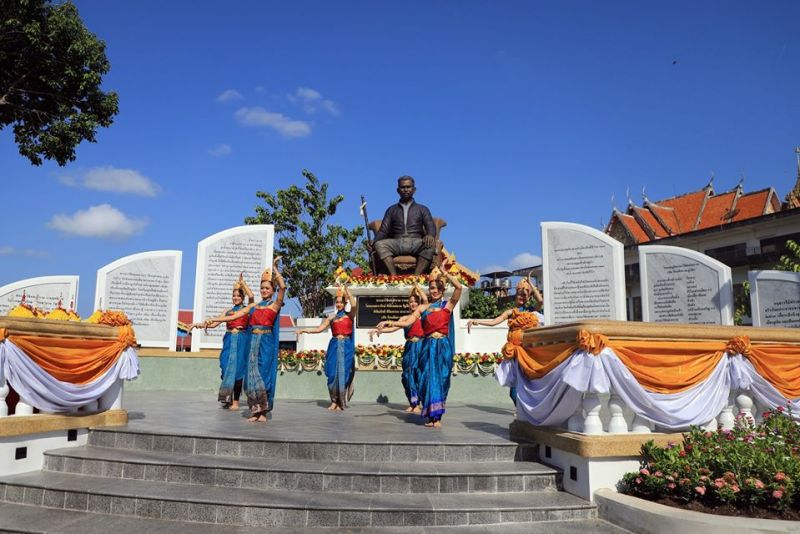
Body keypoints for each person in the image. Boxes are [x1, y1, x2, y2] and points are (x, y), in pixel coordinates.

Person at [377, 263, 462, 428]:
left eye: (436, 288)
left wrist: (445, 272)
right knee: (425, 379)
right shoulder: (423, 307)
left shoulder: (447, 305)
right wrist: (388, 322)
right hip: (426, 347)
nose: (433, 291)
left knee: (441, 380)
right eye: (431, 288)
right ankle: (430, 416)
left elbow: (458, 288)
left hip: (442, 347)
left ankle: (437, 417)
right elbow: (408, 321)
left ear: (442, 289)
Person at [204, 258, 285, 423]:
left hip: (266, 343)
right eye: (262, 288)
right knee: (251, 378)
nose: (263, 290)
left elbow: (283, 287)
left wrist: (276, 270)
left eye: (267, 288)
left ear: (272, 289)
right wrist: (211, 320)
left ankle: (263, 412)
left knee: (263, 376)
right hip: (252, 343)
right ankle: (255, 411)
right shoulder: (253, 307)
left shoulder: (275, 305)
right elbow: (234, 316)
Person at [466, 273, 543, 405]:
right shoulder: (511, 312)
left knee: (529, 383)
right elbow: (494, 321)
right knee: (513, 391)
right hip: (514, 353)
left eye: (525, 294)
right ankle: (520, 408)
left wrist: (531, 284)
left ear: (529, 297)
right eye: (519, 293)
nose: (521, 296)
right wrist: (476, 321)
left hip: (528, 352)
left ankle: (527, 409)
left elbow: (540, 301)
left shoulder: (531, 311)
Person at [190, 274, 255, 410]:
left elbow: (252, 297)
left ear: (242, 297)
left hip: (241, 340)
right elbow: (214, 324)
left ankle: (236, 401)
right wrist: (198, 325)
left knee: (238, 370)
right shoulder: (228, 310)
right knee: (226, 367)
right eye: (234, 296)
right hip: (229, 339)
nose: (235, 298)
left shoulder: (246, 309)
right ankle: (227, 396)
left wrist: (243, 283)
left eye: (238, 296)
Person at [296, 285, 357, 411]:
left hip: (345, 346)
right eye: (337, 302)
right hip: (334, 346)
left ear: (345, 303)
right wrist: (304, 330)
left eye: (341, 302)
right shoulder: (331, 318)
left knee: (343, 374)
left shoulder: (349, 316)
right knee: (332, 374)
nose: (339, 304)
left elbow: (354, 305)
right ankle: (334, 401)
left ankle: (341, 402)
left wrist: (347, 291)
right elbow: (319, 329)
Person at [369, 284, 427, 413]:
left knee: (419, 375)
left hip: (421, 347)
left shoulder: (423, 316)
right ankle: (413, 403)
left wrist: (418, 288)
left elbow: (426, 301)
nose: (413, 304)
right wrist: (379, 331)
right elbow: (393, 328)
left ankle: (420, 402)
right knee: (408, 375)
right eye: (411, 302)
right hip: (410, 348)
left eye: (415, 301)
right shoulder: (404, 318)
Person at [372, 176, 437, 275]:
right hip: (396, 242)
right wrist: (374, 241)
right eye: (403, 187)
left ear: (414, 189)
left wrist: (430, 235)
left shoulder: (422, 209)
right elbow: (383, 231)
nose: (406, 190)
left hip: (416, 242)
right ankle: (394, 276)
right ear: (398, 190)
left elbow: (430, 226)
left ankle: (416, 277)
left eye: (408, 187)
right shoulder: (391, 210)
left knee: (430, 245)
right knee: (379, 244)